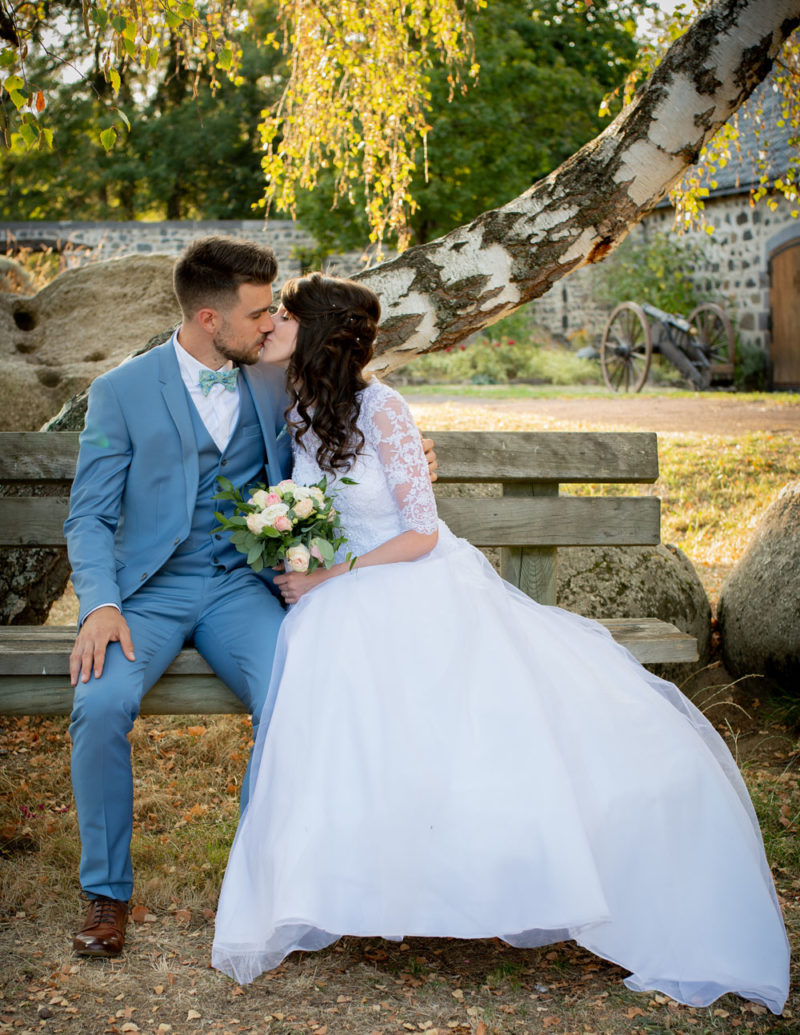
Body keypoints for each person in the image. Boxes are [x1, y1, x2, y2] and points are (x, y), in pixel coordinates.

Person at [211, 273, 790, 1015]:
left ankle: (486, 877)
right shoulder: (302, 404)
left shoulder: (384, 410)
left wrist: (330, 574)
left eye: (285, 315)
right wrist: (305, 561)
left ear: (317, 331)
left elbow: (420, 533)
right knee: (333, 682)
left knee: (457, 716)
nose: (272, 323)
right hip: (340, 591)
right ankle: (348, 882)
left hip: (407, 577)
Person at [64, 235, 435, 959]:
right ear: (210, 318)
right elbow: (90, 515)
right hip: (150, 594)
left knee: (295, 696)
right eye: (259, 313)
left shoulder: (273, 378)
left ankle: (259, 881)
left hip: (243, 586)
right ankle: (106, 894)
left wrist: (418, 454)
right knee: (99, 702)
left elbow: (354, 413)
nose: (271, 326)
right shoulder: (121, 392)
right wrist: (100, 604)